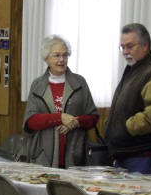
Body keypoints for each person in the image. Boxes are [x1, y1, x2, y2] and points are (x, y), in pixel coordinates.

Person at [104, 23, 151, 174]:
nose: (125, 52)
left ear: (145, 46)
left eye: (130, 46)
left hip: (142, 155)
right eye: (122, 47)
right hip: (126, 153)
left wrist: (127, 127)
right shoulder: (133, 70)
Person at [23, 35, 98, 167]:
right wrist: (60, 118)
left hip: (75, 155)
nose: (61, 60)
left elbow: (93, 117)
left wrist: (76, 122)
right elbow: (30, 122)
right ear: (46, 58)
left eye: (65, 55)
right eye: (56, 55)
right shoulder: (38, 85)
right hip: (43, 157)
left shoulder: (79, 82)